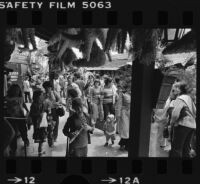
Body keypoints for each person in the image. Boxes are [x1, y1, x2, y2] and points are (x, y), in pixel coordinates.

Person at [169, 81, 196, 157]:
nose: (175, 89)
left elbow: (175, 114)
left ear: (180, 89)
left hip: (182, 125)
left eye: (177, 88)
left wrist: (172, 123)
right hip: (192, 126)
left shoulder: (181, 98)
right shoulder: (189, 98)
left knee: (176, 149)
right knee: (185, 149)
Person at [4, 84, 30, 156]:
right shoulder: (6, 98)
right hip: (11, 117)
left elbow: (23, 104)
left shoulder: (20, 98)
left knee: (23, 129)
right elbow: (5, 106)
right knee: (13, 133)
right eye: (15, 90)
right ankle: (13, 148)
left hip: (20, 116)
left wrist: (27, 110)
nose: (17, 91)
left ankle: (25, 140)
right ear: (12, 90)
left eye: (18, 90)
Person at [29, 90, 47, 156]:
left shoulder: (42, 103)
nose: (42, 96)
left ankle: (40, 149)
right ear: (37, 96)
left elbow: (44, 111)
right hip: (37, 124)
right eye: (41, 95)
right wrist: (39, 114)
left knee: (42, 136)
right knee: (40, 136)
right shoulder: (34, 104)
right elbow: (31, 114)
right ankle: (40, 150)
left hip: (42, 123)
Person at [117, 83, 131, 151]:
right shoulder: (122, 94)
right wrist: (118, 115)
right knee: (125, 129)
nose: (130, 89)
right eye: (129, 87)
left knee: (130, 130)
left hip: (131, 113)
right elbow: (119, 104)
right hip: (124, 113)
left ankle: (127, 145)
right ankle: (123, 144)